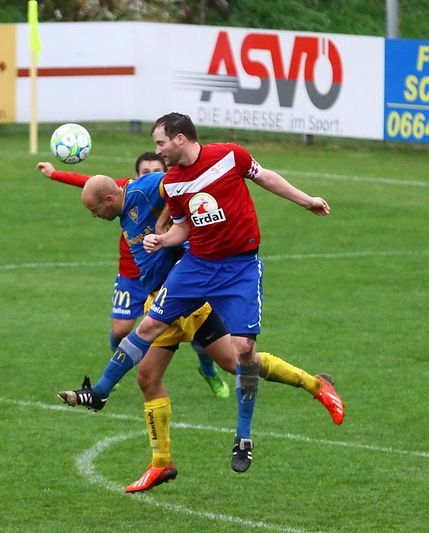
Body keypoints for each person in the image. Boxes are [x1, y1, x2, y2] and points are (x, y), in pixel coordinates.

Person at [61, 173, 342, 491]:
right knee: (148, 378)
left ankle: (315, 384)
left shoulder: (144, 190)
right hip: (160, 301)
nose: (94, 216)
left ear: (109, 199)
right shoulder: (126, 209)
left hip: (185, 300)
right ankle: (161, 463)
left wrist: (165, 223)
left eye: (94, 209)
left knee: (236, 363)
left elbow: (175, 183)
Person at [107, 112, 343, 474]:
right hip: (198, 268)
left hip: (240, 268)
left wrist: (305, 200)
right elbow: (182, 229)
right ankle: (110, 402)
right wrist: (162, 239)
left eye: (161, 143)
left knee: (243, 351)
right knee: (149, 341)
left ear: (180, 138)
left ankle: (244, 436)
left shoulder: (230, 155)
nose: (158, 151)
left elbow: (265, 177)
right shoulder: (173, 183)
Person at [36, 154, 229, 399]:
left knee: (211, 346)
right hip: (135, 277)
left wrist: (164, 225)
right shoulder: (122, 195)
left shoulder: (150, 191)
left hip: (172, 281)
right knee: (127, 342)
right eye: (145, 171)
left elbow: (180, 185)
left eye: (156, 170)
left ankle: (209, 371)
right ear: (136, 174)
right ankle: (107, 382)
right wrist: (54, 174)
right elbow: (88, 182)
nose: (151, 174)